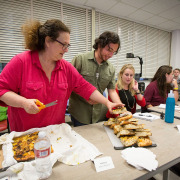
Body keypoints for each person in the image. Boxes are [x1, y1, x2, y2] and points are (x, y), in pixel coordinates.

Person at [0, 19, 123, 132]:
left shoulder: (66, 68)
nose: (66, 50)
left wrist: (108, 104)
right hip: (25, 134)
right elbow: (2, 90)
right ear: (48, 41)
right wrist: (23, 102)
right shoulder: (21, 62)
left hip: (56, 133)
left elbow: (86, 87)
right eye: (63, 45)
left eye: (67, 45)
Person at [68, 31, 122, 127]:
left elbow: (112, 91)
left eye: (113, 52)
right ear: (100, 44)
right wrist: (86, 96)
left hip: (98, 113)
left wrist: (120, 108)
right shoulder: (80, 59)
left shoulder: (111, 68)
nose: (111, 55)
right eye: (109, 50)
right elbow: (68, 84)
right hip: (80, 112)